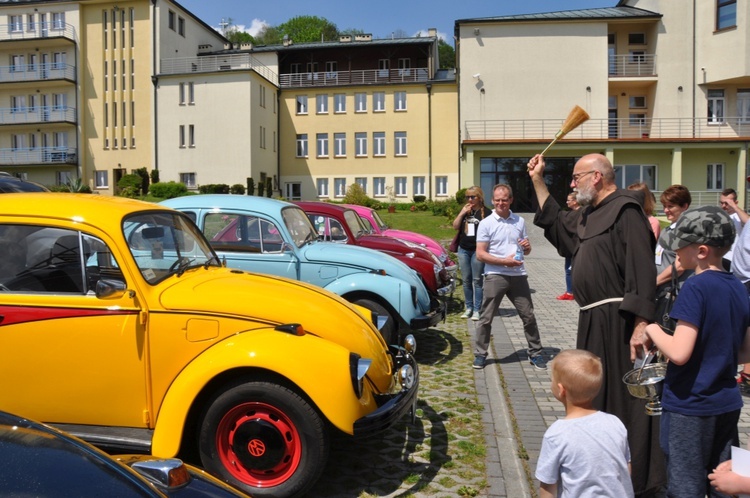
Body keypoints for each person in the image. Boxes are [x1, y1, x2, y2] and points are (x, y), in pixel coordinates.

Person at [528, 153, 665, 496]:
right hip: (592, 318)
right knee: (596, 397)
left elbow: (642, 269)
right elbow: (558, 225)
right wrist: (537, 180)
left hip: (620, 323)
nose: (572, 184)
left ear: (597, 177)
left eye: (576, 177)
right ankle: (596, 470)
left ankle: (634, 481)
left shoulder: (626, 210)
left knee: (624, 399)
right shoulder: (590, 214)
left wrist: (641, 323)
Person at [644, 206, 750, 498]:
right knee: (722, 481)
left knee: (685, 486)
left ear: (701, 251)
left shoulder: (695, 287)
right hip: (726, 402)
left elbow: (679, 353)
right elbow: (744, 351)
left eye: (680, 246)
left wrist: (651, 330)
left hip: (691, 404)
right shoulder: (739, 288)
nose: (675, 252)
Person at [536, 349, 634, 498]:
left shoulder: (556, 434)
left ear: (561, 390)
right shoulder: (615, 423)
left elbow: (548, 485)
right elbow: (626, 465)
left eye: (552, 380)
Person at [473, 183, 546, 370]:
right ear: (492, 200)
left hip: (518, 275)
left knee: (528, 316)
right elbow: (481, 254)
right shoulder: (486, 223)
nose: (500, 203)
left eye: (504, 200)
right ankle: (480, 355)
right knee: (486, 318)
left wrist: (527, 248)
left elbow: (525, 251)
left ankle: (536, 353)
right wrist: (504, 261)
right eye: (497, 200)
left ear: (511, 200)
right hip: (495, 275)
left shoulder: (519, 221)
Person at [452, 186, 492, 320]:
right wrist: (462, 213)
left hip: (478, 251)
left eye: (472, 197)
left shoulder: (487, 213)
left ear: (480, 198)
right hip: (463, 249)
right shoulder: (466, 211)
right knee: (466, 280)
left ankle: (477, 309)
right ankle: (468, 307)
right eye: (467, 197)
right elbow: (455, 226)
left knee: (477, 281)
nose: (469, 199)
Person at [556, 192, 579, 301]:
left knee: (572, 271)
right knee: (568, 270)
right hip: (569, 248)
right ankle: (569, 291)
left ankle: (573, 292)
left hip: (577, 249)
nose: (567, 202)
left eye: (569, 200)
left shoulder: (582, 214)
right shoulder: (569, 214)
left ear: (575, 201)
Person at [720, 187, 748, 271]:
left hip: (733, 261)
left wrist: (734, 207)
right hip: (720, 258)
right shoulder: (719, 216)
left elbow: (748, 222)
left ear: (735, 203)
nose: (723, 206)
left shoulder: (739, 217)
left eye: (727, 203)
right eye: (721, 203)